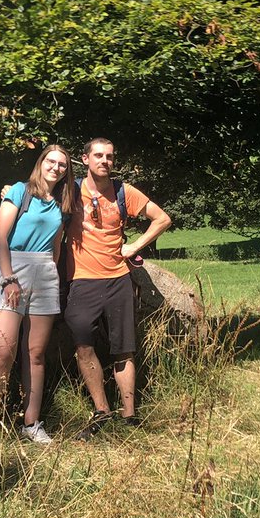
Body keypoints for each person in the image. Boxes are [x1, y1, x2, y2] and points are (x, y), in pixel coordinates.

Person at [0, 144, 76, 457]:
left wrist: (51, 276)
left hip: (44, 273)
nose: (55, 168)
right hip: (12, 267)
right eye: (51, 161)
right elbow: (0, 236)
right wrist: (9, 278)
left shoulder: (62, 203)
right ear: (41, 163)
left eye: (62, 164)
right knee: (2, 352)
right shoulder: (19, 191)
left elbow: (57, 246)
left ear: (66, 171)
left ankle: (31, 423)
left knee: (36, 354)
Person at [64, 137, 172, 439]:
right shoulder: (70, 190)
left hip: (118, 279)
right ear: (85, 159)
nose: (104, 161)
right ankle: (102, 411)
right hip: (81, 280)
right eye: (98, 155)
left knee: (123, 348)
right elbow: (37, 192)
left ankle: (129, 415)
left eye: (109, 157)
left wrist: (135, 245)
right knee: (83, 346)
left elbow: (162, 219)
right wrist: (11, 190)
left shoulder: (124, 191)